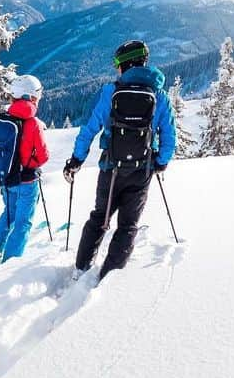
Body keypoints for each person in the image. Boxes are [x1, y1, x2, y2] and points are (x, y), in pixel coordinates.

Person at [63, 40, 176, 279]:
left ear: (126, 64)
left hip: (110, 169)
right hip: (141, 171)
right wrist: (161, 162)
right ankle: (109, 277)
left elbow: (89, 129)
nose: (116, 69)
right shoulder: (160, 96)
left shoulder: (110, 92)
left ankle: (81, 267)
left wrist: (76, 159)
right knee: (127, 226)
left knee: (99, 218)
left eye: (118, 64)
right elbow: (169, 136)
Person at [0, 74, 50, 262]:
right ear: (30, 97)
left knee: (8, 214)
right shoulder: (33, 124)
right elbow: (43, 156)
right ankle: (9, 262)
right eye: (37, 96)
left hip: (5, 179)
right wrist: (31, 164)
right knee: (23, 223)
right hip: (27, 182)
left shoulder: (0, 119)